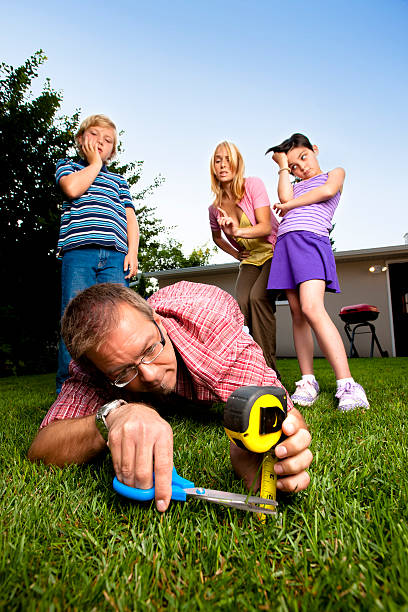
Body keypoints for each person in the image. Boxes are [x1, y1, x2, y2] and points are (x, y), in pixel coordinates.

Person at [28, 281, 313, 512]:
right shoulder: (92, 366)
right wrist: (113, 415)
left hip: (203, 303)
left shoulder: (215, 336)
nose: (150, 376)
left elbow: (279, 409)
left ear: (159, 322)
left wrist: (276, 452)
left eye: (150, 349)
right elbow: (42, 448)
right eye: (124, 371)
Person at [265, 133, 369, 412]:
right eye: (294, 167)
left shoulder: (334, 173)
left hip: (311, 241)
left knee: (312, 308)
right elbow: (284, 195)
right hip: (286, 245)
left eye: (303, 157)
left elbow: (325, 193)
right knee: (298, 314)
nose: (301, 167)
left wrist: (289, 206)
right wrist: (282, 167)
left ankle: (348, 384)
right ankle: (308, 380)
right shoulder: (295, 186)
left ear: (315, 150)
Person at [55, 114, 139, 394]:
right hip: (79, 253)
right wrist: (94, 164)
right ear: (80, 140)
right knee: (75, 318)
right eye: (94, 136)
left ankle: (113, 386)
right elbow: (72, 189)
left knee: (115, 319)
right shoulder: (68, 167)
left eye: (108, 141)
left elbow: (130, 218)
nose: (100, 143)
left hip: (115, 256)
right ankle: (70, 389)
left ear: (113, 151)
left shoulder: (118, 181)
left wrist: (133, 252)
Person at [208, 141, 279, 371]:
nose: (223, 164)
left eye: (228, 159)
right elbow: (217, 237)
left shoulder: (253, 185)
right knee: (241, 304)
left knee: (258, 298)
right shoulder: (215, 208)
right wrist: (236, 253)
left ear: (237, 163)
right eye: (218, 160)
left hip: (273, 251)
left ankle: (269, 369)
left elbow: (266, 227)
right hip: (250, 259)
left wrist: (237, 231)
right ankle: (249, 367)